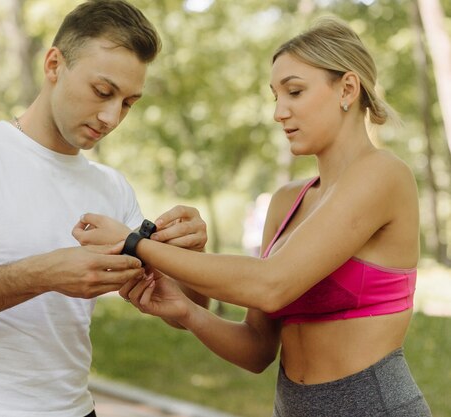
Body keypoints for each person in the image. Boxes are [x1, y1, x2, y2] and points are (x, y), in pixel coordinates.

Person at [74, 16, 432, 416]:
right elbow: (257, 349)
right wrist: (187, 311)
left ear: (347, 88)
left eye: (294, 91)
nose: (279, 112)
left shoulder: (383, 174)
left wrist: (133, 243)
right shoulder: (286, 201)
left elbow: (270, 285)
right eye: (275, 96)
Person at [0, 2, 208, 417]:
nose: (112, 117)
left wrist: (191, 257)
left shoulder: (111, 187)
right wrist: (42, 274)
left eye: (128, 102)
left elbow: (186, 313)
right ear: (54, 64)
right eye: (103, 92)